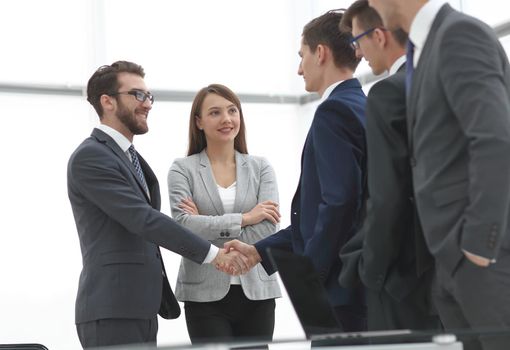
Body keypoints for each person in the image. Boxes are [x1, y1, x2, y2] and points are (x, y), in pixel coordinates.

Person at [67, 61, 248, 349]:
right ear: (107, 101)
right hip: (113, 306)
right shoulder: (92, 157)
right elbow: (144, 219)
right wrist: (214, 255)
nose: (147, 104)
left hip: (138, 304)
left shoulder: (128, 157)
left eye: (149, 96)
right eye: (137, 95)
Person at [367, 1, 510, 349]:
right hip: (448, 261)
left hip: (483, 259)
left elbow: (495, 140)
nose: (370, 4)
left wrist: (478, 246)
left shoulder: (459, 34)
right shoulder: (425, 48)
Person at [225, 10, 368, 332]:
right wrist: (259, 251)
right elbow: (324, 213)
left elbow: (341, 203)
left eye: (302, 56)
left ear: (321, 53)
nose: (299, 68)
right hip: (362, 282)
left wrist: (310, 273)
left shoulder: (334, 111)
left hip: (340, 286)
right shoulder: (363, 105)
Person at [338, 0, 440, 332]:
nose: (357, 52)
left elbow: (387, 193)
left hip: (400, 276)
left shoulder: (387, 93)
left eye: (358, 40)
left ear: (379, 35)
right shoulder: (435, 78)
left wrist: (372, 270)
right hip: (446, 266)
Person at [167, 84, 282, 344]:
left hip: (257, 291)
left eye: (232, 111)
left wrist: (205, 223)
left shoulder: (260, 167)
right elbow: (183, 227)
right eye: (215, 113)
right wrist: (245, 217)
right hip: (203, 294)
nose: (227, 119)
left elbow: (268, 227)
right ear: (199, 122)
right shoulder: (182, 169)